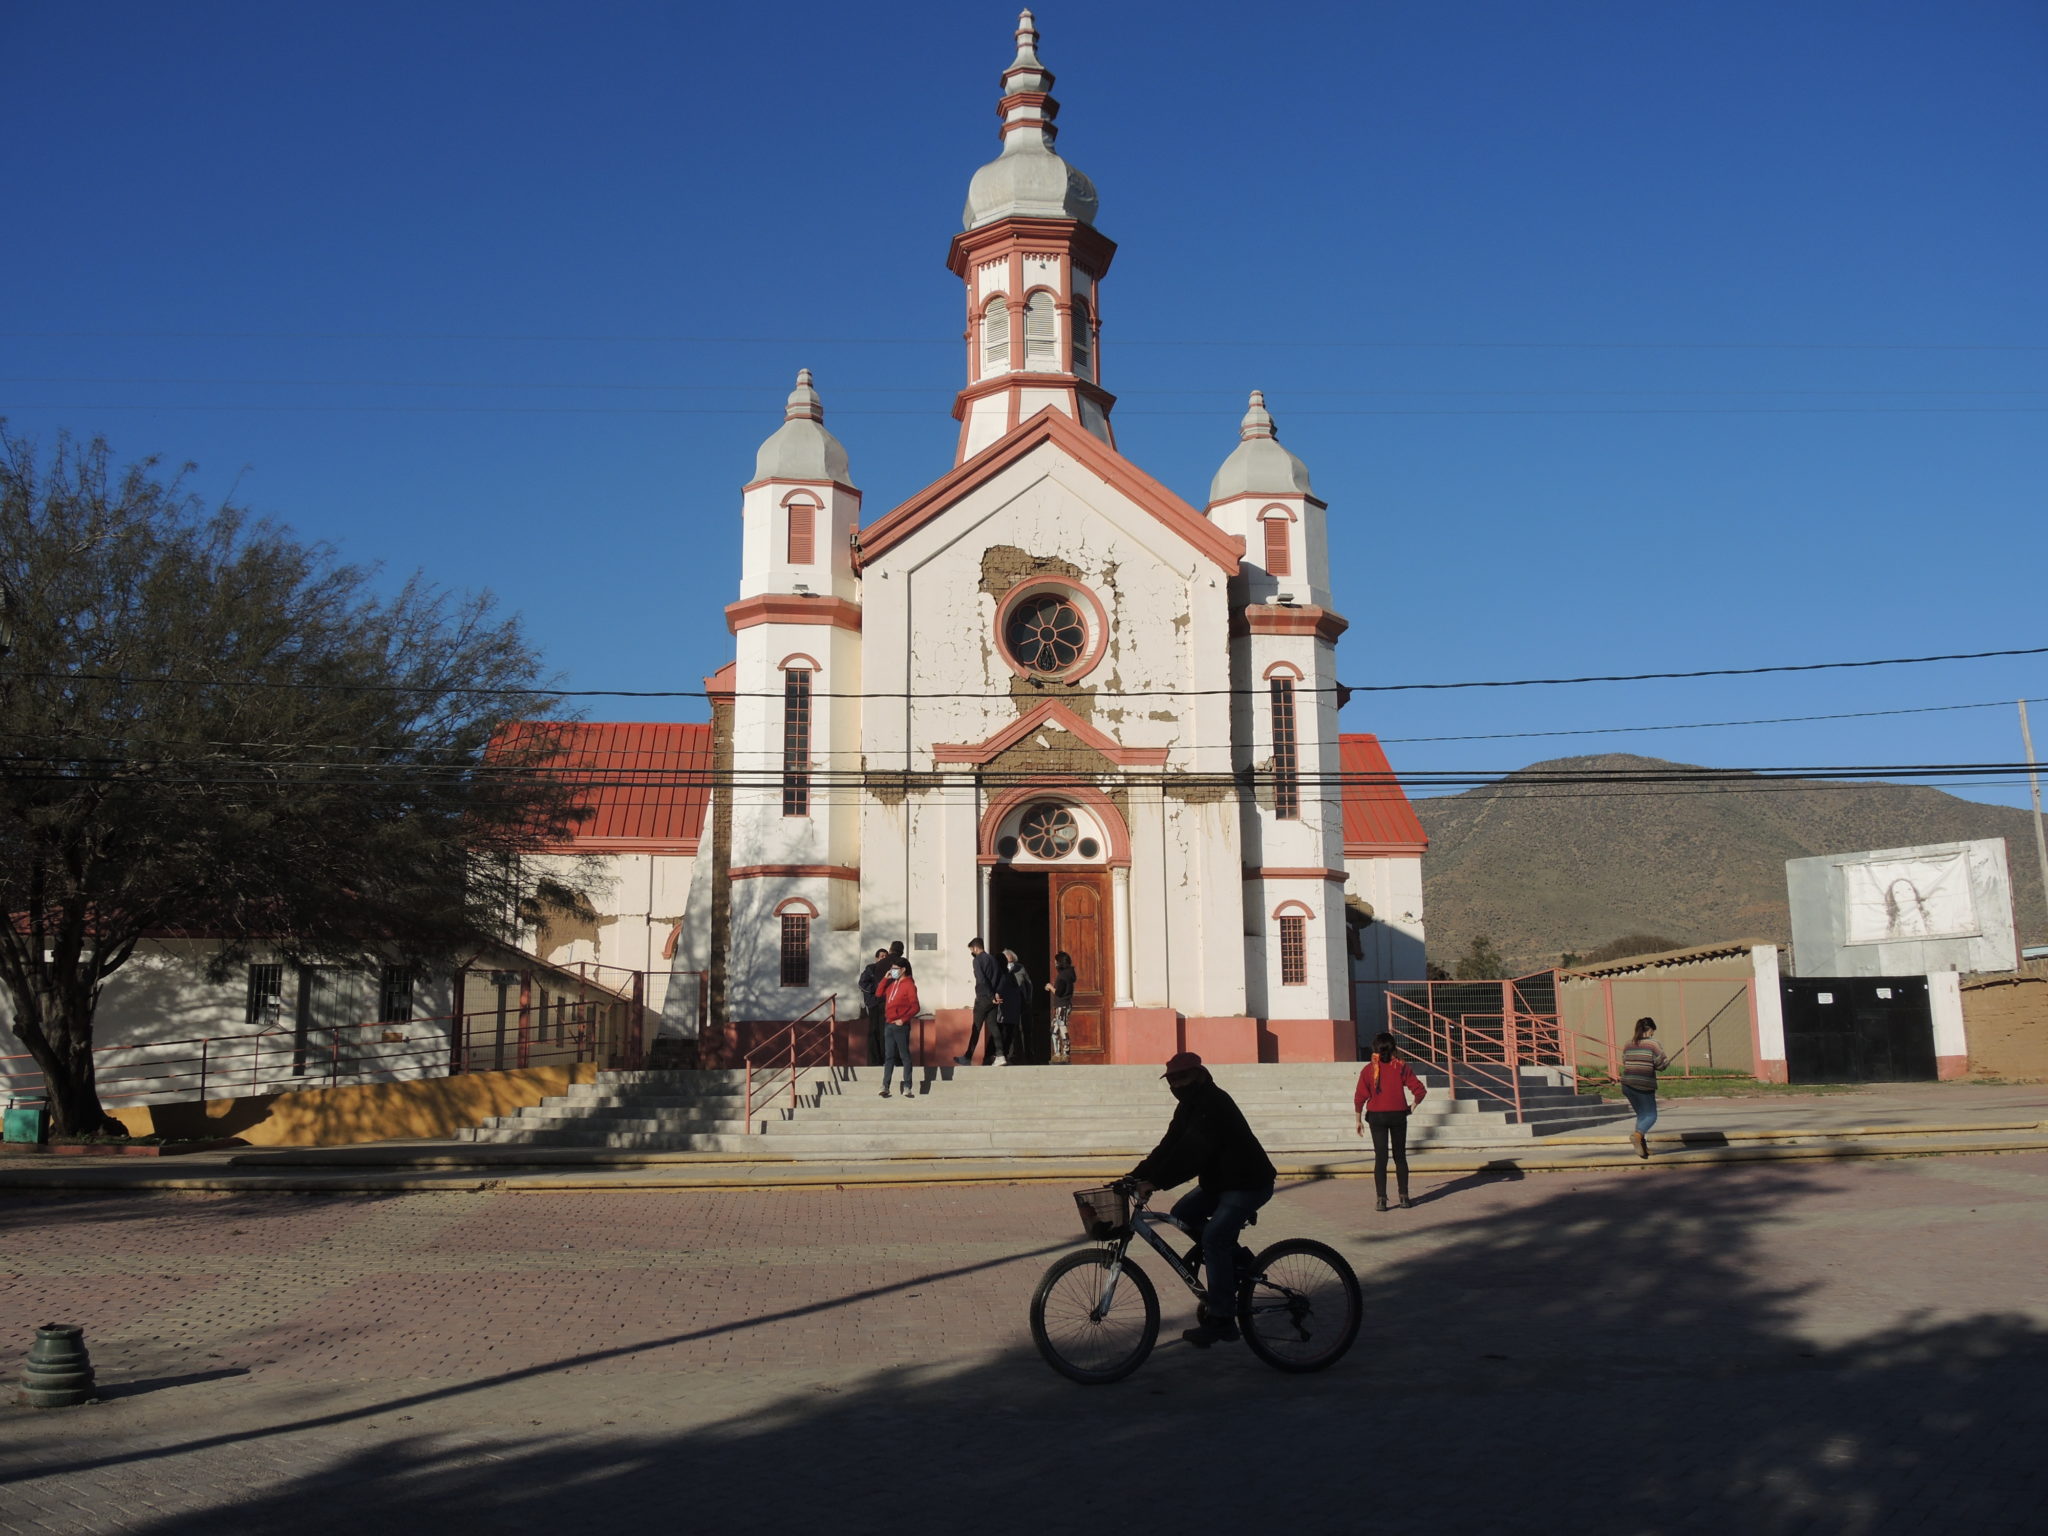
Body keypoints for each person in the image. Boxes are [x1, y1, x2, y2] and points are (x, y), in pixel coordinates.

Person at [1129, 1052, 1277, 1350]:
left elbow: (1193, 1154)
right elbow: (1170, 1146)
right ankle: (1235, 1264)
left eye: (1181, 1078)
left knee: (1214, 1237)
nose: (1176, 1085)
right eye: (1171, 1080)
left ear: (1199, 1074)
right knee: (1183, 1212)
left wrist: (1155, 1182)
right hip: (1221, 1183)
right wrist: (1134, 1176)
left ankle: (1223, 1318)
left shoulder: (1212, 1103)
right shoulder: (1188, 1107)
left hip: (1248, 1183)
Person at [1353, 1031, 1428, 1211]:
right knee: (1400, 1157)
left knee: (1381, 1158)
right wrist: (1412, 1107)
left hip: (1376, 1116)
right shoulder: (1401, 1067)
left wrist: (1358, 1120)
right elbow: (1420, 1090)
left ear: (1375, 1049)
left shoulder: (1368, 1070)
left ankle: (1381, 1199)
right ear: (1393, 1048)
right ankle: (1404, 1197)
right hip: (1398, 1115)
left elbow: (1359, 1097)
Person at [1620, 1017, 1668, 1159]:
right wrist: (1663, 1063)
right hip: (1643, 1084)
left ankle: (1643, 1148)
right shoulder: (1653, 1044)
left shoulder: (1629, 1043)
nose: (1653, 1034)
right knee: (1651, 1115)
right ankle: (1637, 1136)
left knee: (1642, 1116)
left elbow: (1624, 1060)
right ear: (1651, 1030)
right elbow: (1662, 1064)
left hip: (1627, 1084)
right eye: (1653, 1031)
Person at [955, 938, 1005, 1066]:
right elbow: (1001, 977)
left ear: (975, 948)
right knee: (993, 1026)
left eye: (971, 949)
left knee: (976, 1027)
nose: (971, 952)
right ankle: (1000, 1055)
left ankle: (968, 1057)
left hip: (983, 998)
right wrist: (996, 994)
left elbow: (981, 979)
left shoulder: (977, 960)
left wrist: (989, 996)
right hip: (993, 998)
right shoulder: (993, 959)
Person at [878, 958, 920, 1102]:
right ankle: (885, 1086)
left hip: (900, 1025)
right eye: (892, 968)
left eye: (895, 968)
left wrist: (903, 1019)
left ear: (903, 970)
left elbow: (915, 1006)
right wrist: (885, 979)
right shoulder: (893, 984)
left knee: (904, 1055)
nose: (892, 971)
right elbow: (878, 994)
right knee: (888, 1056)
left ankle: (907, 1086)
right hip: (888, 1024)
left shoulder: (909, 985)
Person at [997, 947, 1032, 1065]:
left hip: (1020, 1004)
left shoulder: (1020, 968)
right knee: (1007, 1030)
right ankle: (1009, 1055)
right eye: (1007, 961)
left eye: (1011, 961)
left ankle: (1026, 1055)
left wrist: (1028, 999)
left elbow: (1029, 985)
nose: (1010, 964)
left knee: (1023, 1029)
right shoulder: (999, 969)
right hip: (1004, 1004)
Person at [857, 948, 891, 1067]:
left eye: (886, 956)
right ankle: (875, 1060)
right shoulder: (870, 968)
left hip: (887, 1005)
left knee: (885, 1032)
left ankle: (886, 1059)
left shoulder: (892, 971)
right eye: (881, 956)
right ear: (876, 958)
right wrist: (877, 989)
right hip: (874, 1004)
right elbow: (862, 984)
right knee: (873, 1031)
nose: (884, 958)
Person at [1045, 950, 1076, 1063]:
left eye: (1055, 961)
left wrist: (1050, 987)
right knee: (1054, 1029)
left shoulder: (1063, 976)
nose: (1054, 963)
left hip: (1062, 1005)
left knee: (1062, 1027)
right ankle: (1057, 1053)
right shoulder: (1067, 974)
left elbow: (1058, 992)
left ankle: (1065, 1053)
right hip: (1061, 1005)